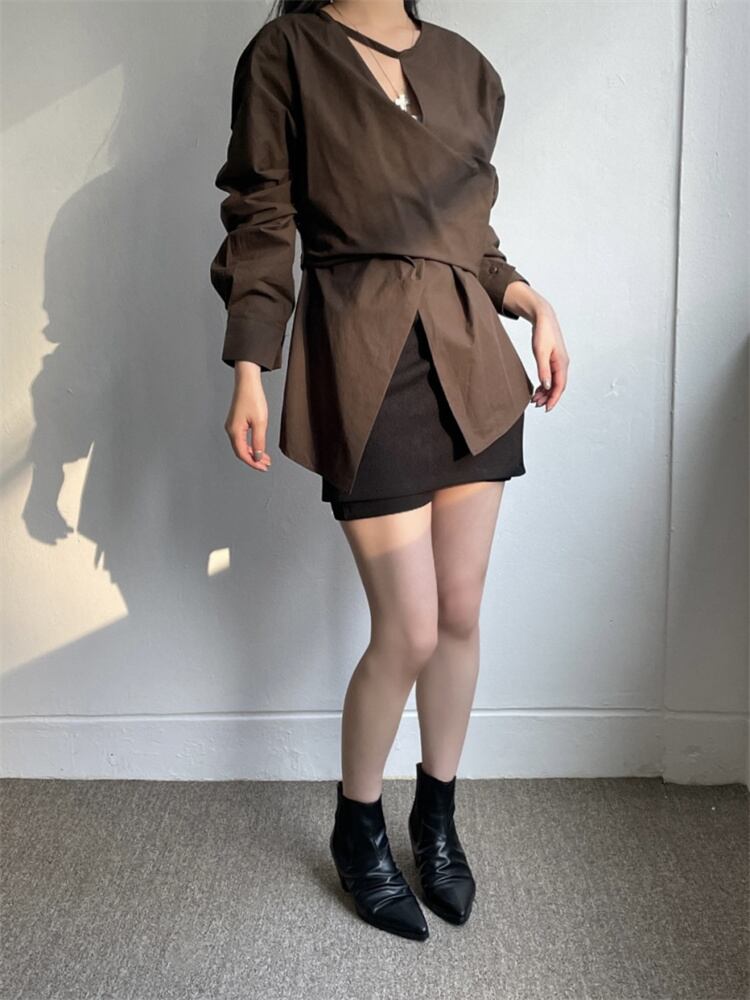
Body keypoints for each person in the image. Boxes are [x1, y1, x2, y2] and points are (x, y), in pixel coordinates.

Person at [209, 0, 569, 942]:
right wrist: (251, 364)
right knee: (406, 627)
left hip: (472, 362)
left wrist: (531, 301)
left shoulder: (468, 68)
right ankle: (358, 825)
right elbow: (262, 216)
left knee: (458, 613)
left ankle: (436, 818)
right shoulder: (287, 51)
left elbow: (471, 240)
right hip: (363, 359)